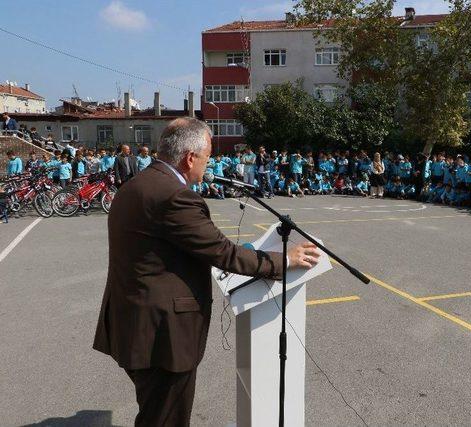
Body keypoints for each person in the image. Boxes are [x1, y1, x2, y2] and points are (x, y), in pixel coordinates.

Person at [93, 118, 321, 426]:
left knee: (155, 411)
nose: (208, 165)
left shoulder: (136, 185)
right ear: (190, 158)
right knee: (166, 418)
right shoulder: (175, 196)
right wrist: (285, 260)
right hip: (162, 334)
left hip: (134, 322)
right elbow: (223, 253)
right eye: (207, 158)